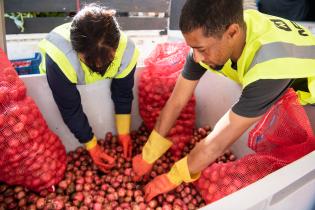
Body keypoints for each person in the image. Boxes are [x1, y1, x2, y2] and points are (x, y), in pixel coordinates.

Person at [132, 0, 315, 201]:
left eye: (201, 49)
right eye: (193, 48)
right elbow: (176, 100)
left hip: (309, 99)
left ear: (233, 32)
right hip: (283, 83)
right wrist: (149, 153)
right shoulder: (224, 29)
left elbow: (217, 143)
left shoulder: (270, 67)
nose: (197, 58)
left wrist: (172, 178)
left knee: (299, 168)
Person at [38, 4, 139, 172]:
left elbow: (123, 93)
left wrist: (123, 132)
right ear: (76, 50)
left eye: (107, 60)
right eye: (90, 61)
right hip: (53, 83)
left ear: (116, 46)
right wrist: (92, 146)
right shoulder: (60, 57)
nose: (99, 67)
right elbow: (70, 108)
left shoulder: (127, 51)